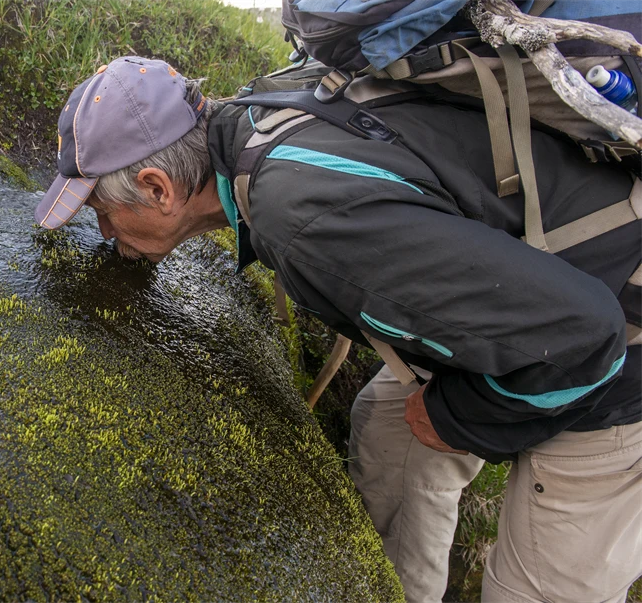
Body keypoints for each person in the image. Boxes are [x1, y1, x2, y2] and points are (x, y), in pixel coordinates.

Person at [34, 56, 642, 603]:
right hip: (531, 280)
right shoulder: (263, 112)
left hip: (616, 353)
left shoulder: (301, 215)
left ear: (157, 188)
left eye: (102, 214)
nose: (107, 236)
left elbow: (583, 340)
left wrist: (459, 416)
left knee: (532, 588)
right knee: (385, 425)